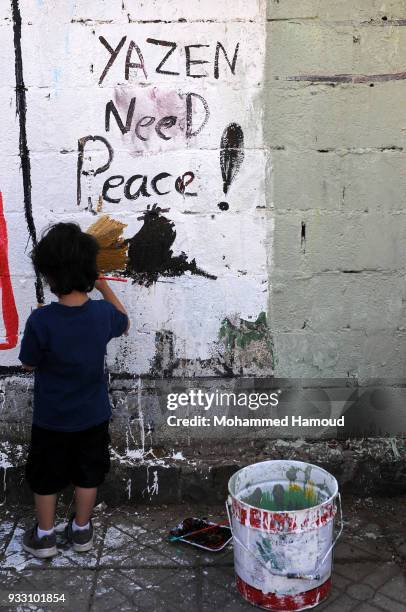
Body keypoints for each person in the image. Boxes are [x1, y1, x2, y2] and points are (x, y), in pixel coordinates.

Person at [18, 222, 129, 558]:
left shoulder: (42, 321)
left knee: (46, 476)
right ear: (89, 271)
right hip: (93, 416)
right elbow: (123, 319)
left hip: (51, 419)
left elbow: (28, 364)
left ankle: (46, 536)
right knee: (88, 473)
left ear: (49, 276)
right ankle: (81, 531)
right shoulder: (101, 314)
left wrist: (40, 324)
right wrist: (104, 286)